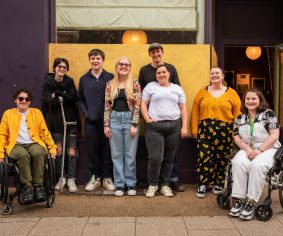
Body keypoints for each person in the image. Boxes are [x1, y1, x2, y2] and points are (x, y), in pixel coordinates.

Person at [138, 42, 184, 192]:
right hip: (155, 125)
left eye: (158, 52)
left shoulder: (172, 72)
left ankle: (168, 183)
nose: (156, 54)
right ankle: (153, 184)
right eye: (153, 52)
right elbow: (142, 98)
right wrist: (147, 118)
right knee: (155, 157)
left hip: (173, 124)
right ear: (150, 54)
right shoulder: (145, 72)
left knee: (170, 157)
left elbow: (181, 102)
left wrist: (184, 126)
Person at [229, 88, 280, 220]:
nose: (250, 101)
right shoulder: (240, 118)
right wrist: (247, 149)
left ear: (260, 100)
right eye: (247, 99)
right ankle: (239, 199)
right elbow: (236, 137)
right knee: (237, 162)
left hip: (268, 148)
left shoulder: (269, 114)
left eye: (253, 99)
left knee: (256, 165)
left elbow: (274, 135)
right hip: (248, 148)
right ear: (244, 101)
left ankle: (251, 202)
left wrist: (260, 150)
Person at [190, 67, 241, 198]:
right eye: (212, 73)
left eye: (217, 73)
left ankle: (218, 183)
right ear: (209, 76)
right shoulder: (202, 91)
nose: (214, 75)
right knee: (204, 157)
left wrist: (236, 133)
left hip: (225, 130)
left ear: (222, 76)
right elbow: (195, 111)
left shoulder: (232, 93)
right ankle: (202, 184)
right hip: (205, 129)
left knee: (222, 158)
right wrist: (194, 129)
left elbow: (237, 114)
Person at [0, 88, 56, 204]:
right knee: (23, 155)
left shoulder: (36, 113)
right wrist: (0, 152)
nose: (24, 101)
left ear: (30, 101)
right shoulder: (8, 114)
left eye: (27, 99)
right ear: (15, 100)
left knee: (39, 152)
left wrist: (52, 147)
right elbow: (2, 134)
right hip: (15, 145)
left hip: (33, 143)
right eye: (21, 98)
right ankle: (27, 188)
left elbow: (44, 132)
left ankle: (38, 187)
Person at [77, 49, 115, 191]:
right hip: (91, 123)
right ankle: (96, 177)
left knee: (107, 150)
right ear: (89, 60)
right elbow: (80, 99)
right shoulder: (84, 79)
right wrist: (86, 113)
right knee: (93, 151)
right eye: (92, 58)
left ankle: (106, 178)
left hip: (108, 123)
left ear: (103, 60)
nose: (95, 61)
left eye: (98, 58)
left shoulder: (110, 77)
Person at [104, 56, 141, 196]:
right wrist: (106, 125)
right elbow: (107, 106)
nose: (124, 66)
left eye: (126, 64)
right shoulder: (110, 84)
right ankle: (119, 184)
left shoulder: (135, 83)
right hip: (113, 119)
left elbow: (137, 105)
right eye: (121, 64)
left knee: (130, 154)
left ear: (130, 67)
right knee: (116, 154)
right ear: (117, 66)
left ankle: (131, 184)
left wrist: (134, 123)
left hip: (129, 119)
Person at [42, 57, 80, 193]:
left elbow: (72, 97)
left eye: (64, 67)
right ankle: (61, 177)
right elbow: (46, 101)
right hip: (55, 122)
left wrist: (57, 94)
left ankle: (71, 178)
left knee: (71, 150)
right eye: (59, 67)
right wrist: (61, 96)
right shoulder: (48, 82)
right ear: (54, 68)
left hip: (70, 121)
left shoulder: (69, 82)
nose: (62, 69)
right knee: (58, 151)